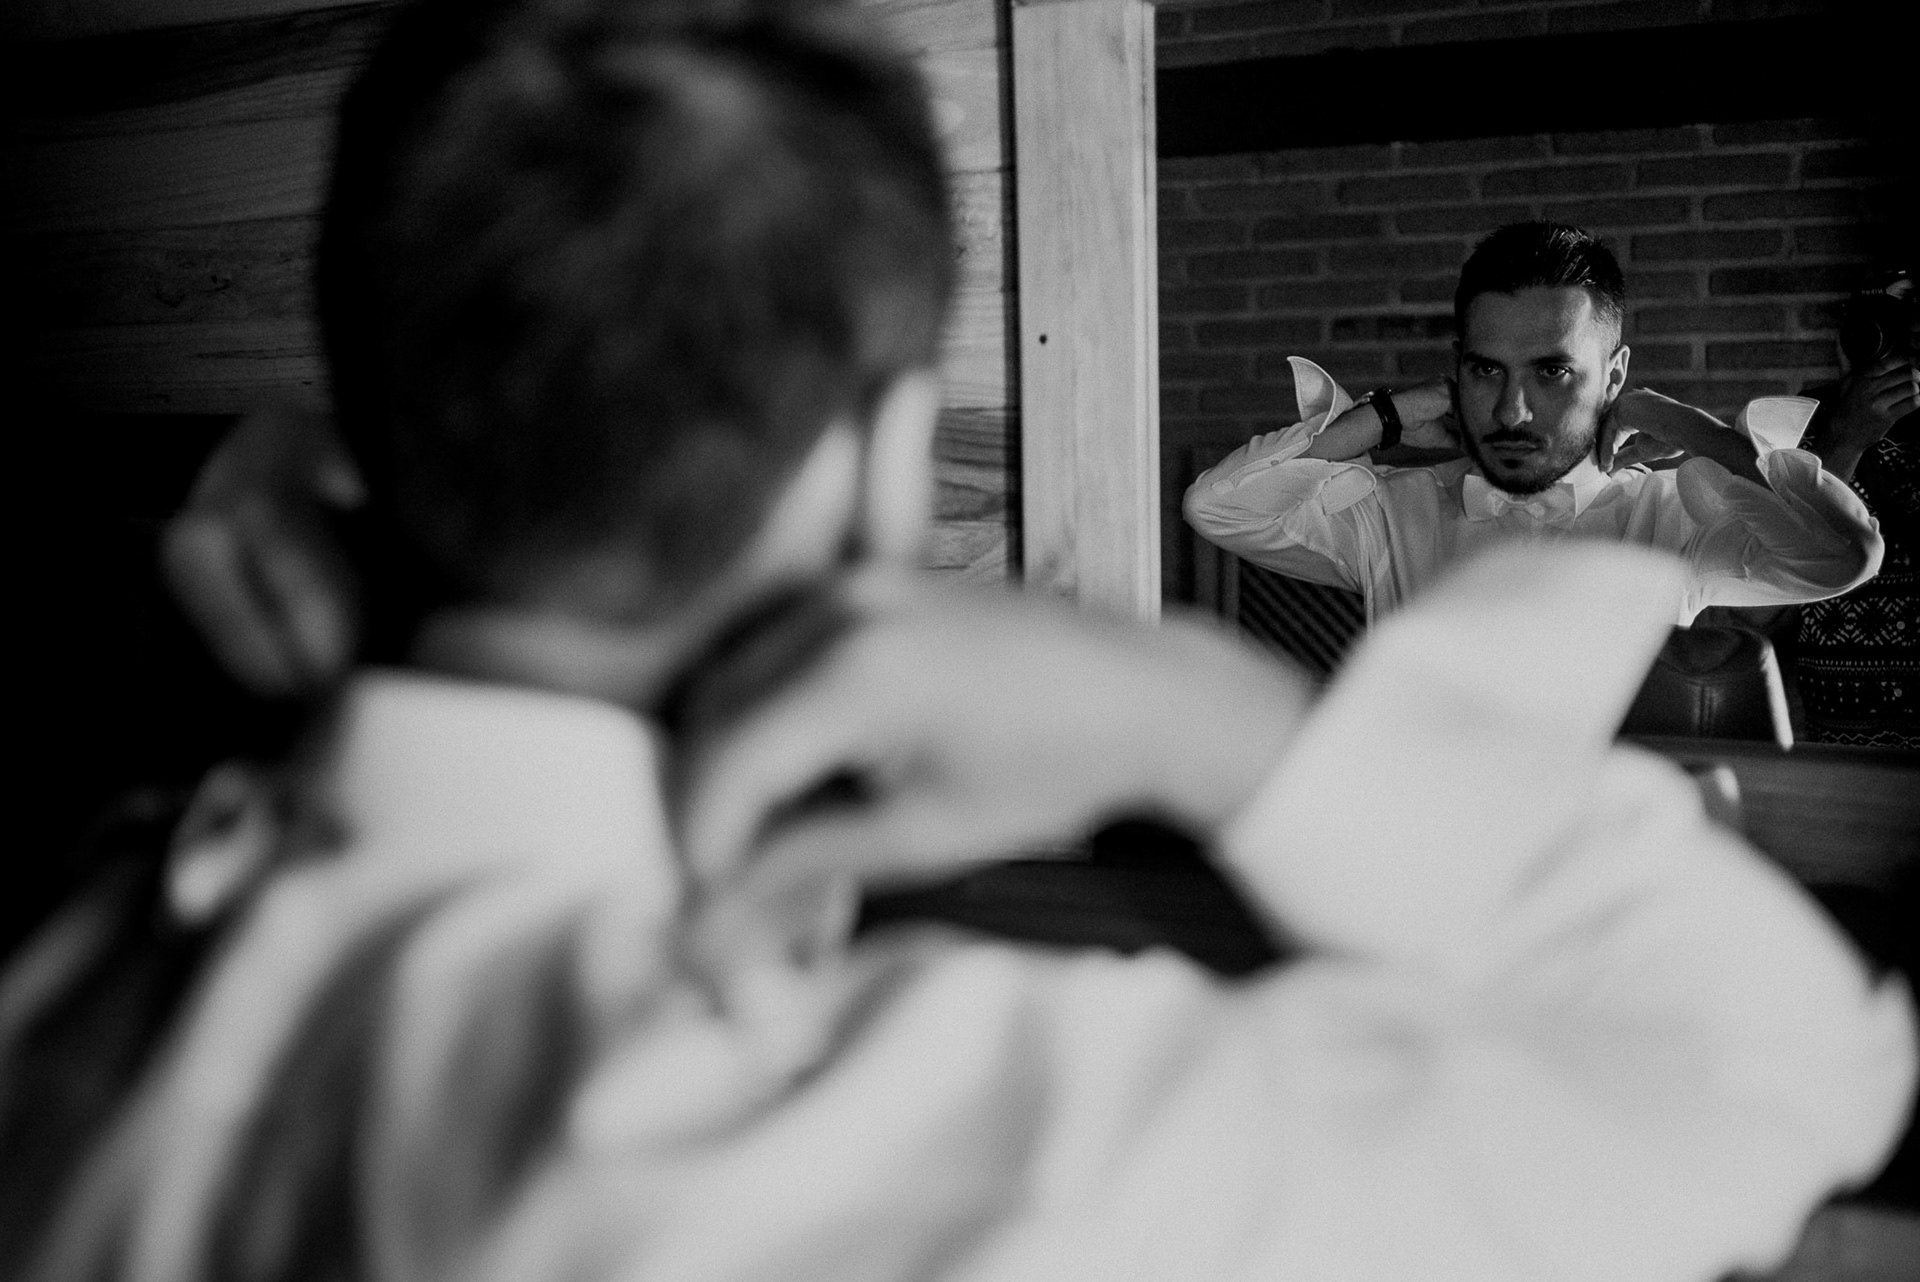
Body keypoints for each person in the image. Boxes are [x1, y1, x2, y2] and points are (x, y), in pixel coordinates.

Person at [2, 7, 1912, 1281]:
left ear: (329, 430)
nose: (1504, 403)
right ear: (883, 459)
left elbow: (1827, 550)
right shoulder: (1004, 1148)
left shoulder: (72, 960)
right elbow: (1779, 1069)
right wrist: (1197, 717)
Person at [1185, 221, 1885, 627]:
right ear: (1456, 370)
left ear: (1613, 376)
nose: (1511, 412)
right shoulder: (1388, 516)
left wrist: (1689, 428)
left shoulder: (1675, 522)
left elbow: (1841, 555)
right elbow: (1219, 506)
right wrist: (1388, 415)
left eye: (1552, 372)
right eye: (1487, 371)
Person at [1788, 268, 1920, 747]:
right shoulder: (1802, 421)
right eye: (1879, 318)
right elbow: (1759, 606)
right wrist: (1842, 440)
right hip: (1840, 738)